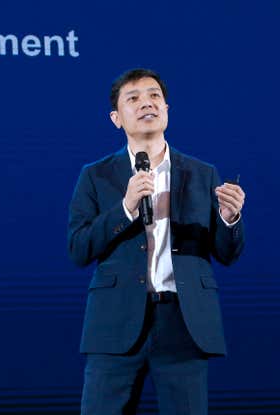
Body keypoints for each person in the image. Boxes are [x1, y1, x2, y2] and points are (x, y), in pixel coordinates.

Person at [67, 68, 246, 414]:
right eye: (133, 98)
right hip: (115, 323)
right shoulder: (96, 175)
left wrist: (229, 219)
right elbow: (79, 248)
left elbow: (227, 253)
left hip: (184, 323)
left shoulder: (202, 173)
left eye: (153, 96)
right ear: (116, 118)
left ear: (166, 109)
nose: (146, 103)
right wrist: (125, 207)